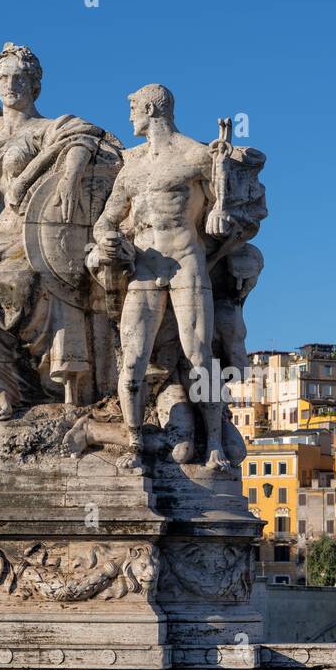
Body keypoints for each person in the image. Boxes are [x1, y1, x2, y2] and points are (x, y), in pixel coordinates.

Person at [0, 42, 120, 414]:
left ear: (35, 87)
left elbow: (87, 140)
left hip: (32, 237)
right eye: (3, 77)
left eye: (20, 77)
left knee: (24, 280)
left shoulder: (49, 127)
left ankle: (48, 383)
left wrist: (44, 175)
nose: (10, 84)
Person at [88, 84, 233, 471]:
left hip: (187, 262)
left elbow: (223, 206)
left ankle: (215, 443)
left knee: (200, 356)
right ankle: (135, 443)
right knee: (132, 361)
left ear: (151, 108)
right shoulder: (131, 166)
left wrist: (222, 195)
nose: (130, 115)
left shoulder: (196, 155)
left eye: (133, 107)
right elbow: (106, 221)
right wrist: (108, 241)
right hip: (145, 267)